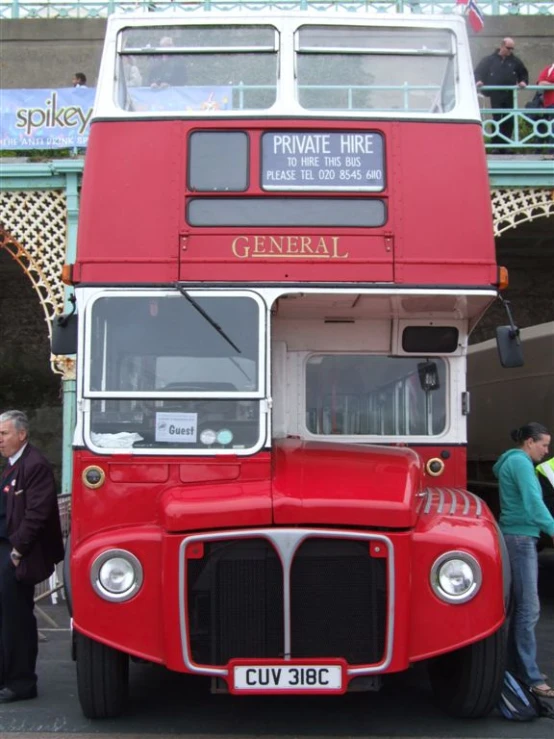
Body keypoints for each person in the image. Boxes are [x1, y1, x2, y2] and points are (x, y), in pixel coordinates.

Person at [0, 410, 64, 703]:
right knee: (5, 619)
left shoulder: (34, 464)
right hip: (7, 550)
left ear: (21, 434)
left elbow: (37, 513)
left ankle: (21, 682)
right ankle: (6, 676)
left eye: (4, 434)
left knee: (17, 620)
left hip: (17, 555)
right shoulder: (13, 465)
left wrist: (17, 552)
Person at [493, 422, 554, 699]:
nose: (546, 450)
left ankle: (519, 668)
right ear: (529, 442)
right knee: (529, 609)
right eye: (543, 444)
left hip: (515, 536)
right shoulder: (521, 464)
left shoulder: (512, 462)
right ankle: (529, 676)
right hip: (520, 538)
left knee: (519, 607)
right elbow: (533, 503)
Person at [474, 38, 529, 152]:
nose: (510, 51)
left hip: (509, 93)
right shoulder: (489, 60)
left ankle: (506, 145)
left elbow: (523, 73)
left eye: (512, 49)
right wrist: (479, 81)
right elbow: (478, 72)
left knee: (509, 119)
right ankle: (496, 145)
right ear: (502, 46)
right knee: (497, 118)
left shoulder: (515, 61)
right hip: (496, 94)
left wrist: (523, 81)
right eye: (508, 48)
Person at [537, 62, 554, 153]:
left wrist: (550, 83)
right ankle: (552, 151)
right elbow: (541, 83)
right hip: (551, 103)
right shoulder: (549, 69)